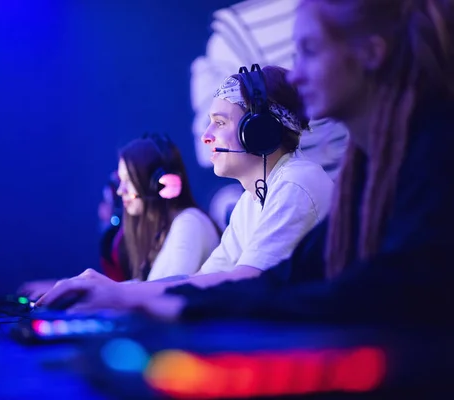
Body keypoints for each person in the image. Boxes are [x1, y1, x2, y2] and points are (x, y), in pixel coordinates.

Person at [89, 0, 454, 324]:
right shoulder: (364, 176)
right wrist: (129, 296)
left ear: (371, 53)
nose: (296, 74)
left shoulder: (432, 158)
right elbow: (281, 279)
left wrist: (147, 301)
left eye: (309, 50)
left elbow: (365, 293)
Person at [35, 65, 335, 310]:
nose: (206, 136)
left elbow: (248, 279)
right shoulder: (251, 201)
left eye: (220, 122)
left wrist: (121, 296)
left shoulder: (297, 181)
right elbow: (205, 278)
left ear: (258, 131)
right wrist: (112, 289)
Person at [18, 133, 220, 299]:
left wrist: (94, 290)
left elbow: (164, 291)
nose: (121, 190)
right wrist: (65, 286)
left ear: (159, 183)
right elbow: (146, 287)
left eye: (128, 180)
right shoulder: (164, 230)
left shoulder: (190, 222)